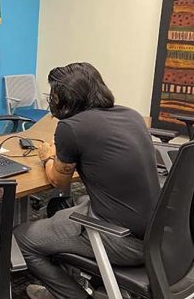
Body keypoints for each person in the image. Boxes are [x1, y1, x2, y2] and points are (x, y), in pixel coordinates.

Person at [14, 62, 160, 299]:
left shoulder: (72, 128)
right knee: (63, 212)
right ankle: (61, 287)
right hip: (160, 233)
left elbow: (57, 181)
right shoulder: (131, 115)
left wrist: (47, 156)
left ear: (66, 98)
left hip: (123, 240)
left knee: (21, 239)